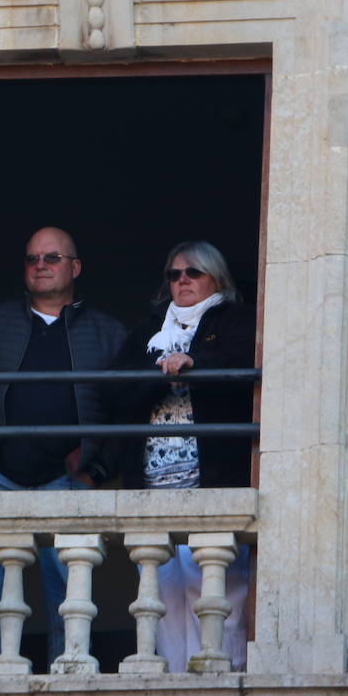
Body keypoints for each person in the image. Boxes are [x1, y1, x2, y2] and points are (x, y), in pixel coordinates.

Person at [0, 226, 127, 673]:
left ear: (75, 268)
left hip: (69, 481)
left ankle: (69, 682)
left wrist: (95, 470)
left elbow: (127, 412)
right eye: (32, 259)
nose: (40, 265)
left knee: (68, 593)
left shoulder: (107, 332)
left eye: (52, 258)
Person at [109, 239, 254, 672]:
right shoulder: (149, 328)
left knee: (215, 592)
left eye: (193, 272)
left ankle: (221, 678)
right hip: (152, 485)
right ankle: (174, 679)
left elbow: (239, 366)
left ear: (216, 278)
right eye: (174, 274)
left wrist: (192, 363)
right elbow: (116, 389)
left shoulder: (236, 319)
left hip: (212, 479)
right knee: (161, 595)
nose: (183, 281)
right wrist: (160, 374)